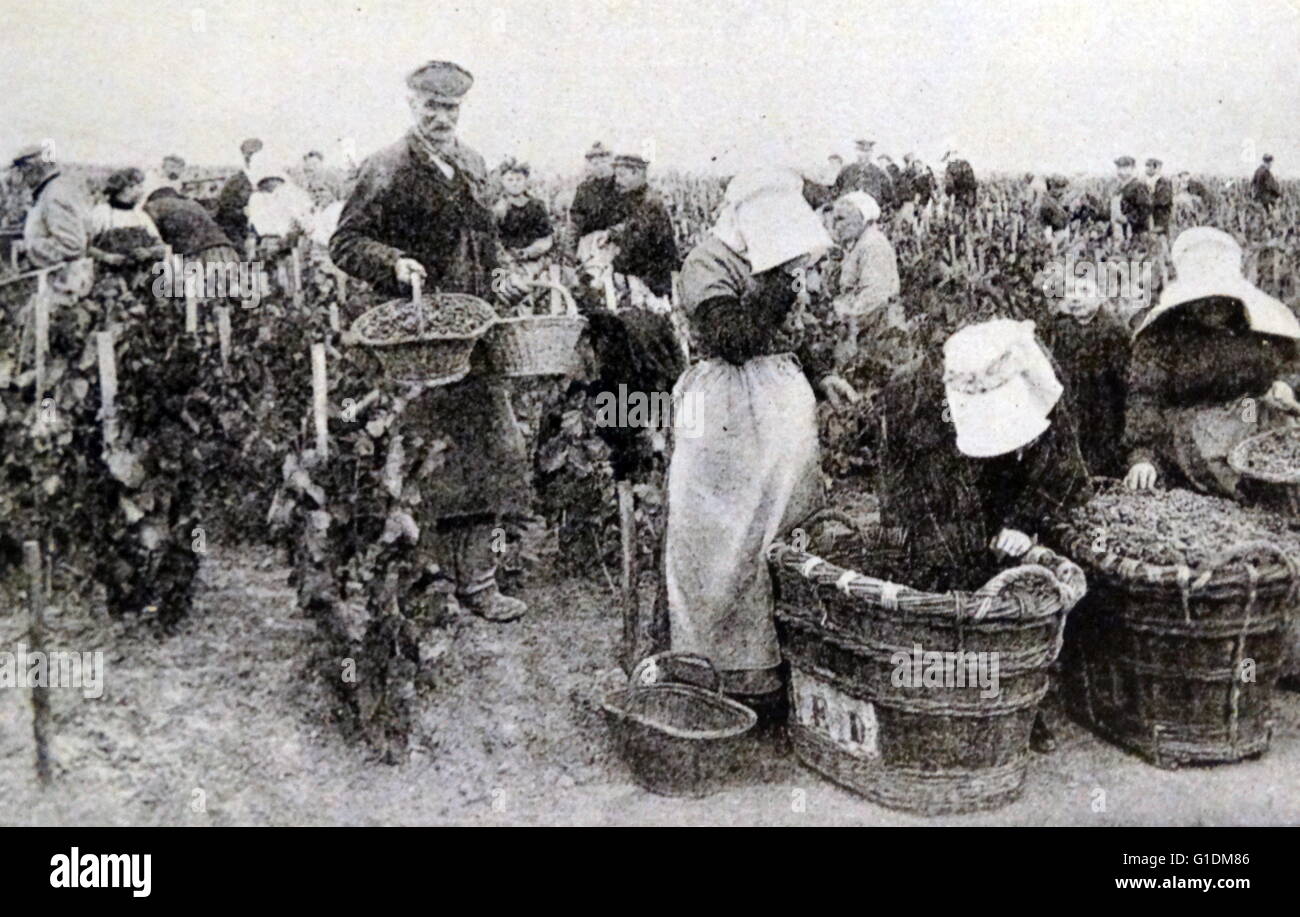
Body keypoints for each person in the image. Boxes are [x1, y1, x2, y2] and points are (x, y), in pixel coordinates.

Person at [329, 59, 532, 623]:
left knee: (494, 450)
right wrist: (394, 263)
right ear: (411, 104)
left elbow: (486, 242)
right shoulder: (387, 166)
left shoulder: (472, 162)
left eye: (451, 108)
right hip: (417, 341)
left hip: (473, 331)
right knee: (422, 460)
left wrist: (503, 277)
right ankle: (425, 580)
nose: (441, 117)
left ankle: (480, 581)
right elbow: (345, 243)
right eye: (431, 106)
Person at [664, 167, 857, 712]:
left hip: (777, 404)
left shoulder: (770, 260)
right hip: (726, 408)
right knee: (724, 532)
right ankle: (722, 664)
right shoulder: (707, 262)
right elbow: (733, 341)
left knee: (786, 522)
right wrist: (775, 288)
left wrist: (821, 375)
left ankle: (782, 660)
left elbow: (785, 334)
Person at [875, 319, 1092, 751]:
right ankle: (953, 701)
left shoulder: (1040, 382)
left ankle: (1018, 703)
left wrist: (1022, 520)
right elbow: (902, 480)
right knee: (949, 588)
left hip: (1010, 489)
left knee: (1017, 596)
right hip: (941, 495)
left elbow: (1065, 470)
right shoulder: (914, 396)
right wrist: (920, 533)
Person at [1123, 227, 1300, 497]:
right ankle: (1247, 491)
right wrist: (1143, 457)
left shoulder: (1255, 324)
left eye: (1221, 299)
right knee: (1226, 458)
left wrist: (1284, 385)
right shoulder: (1163, 336)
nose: (1212, 307)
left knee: (1272, 438)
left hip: (1248, 409)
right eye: (1203, 300)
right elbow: (1145, 397)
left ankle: (1274, 487)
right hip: (1197, 428)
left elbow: (1291, 364)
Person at [1038, 271, 1132, 477]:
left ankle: (1107, 471)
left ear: (1100, 295)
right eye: (1070, 291)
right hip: (1074, 395)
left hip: (1103, 398)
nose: (1075, 297)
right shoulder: (1062, 328)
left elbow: (1123, 377)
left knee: (1104, 436)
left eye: (1084, 290)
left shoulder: (1112, 328)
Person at [9, 143, 94, 299]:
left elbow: (71, 246)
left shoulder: (55, 194)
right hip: (59, 283)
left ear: (32, 168)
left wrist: (28, 247)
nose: (21, 176)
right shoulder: (54, 189)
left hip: (61, 288)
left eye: (22, 169)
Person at [829, 192, 902, 367]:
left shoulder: (872, 244)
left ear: (861, 217)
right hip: (867, 326)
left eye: (841, 219)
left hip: (876, 329)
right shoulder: (861, 243)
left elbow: (874, 295)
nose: (835, 226)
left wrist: (843, 312)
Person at [606, 152, 679, 308]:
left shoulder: (650, 203)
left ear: (637, 173)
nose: (618, 181)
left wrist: (614, 265)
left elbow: (637, 243)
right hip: (643, 280)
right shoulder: (634, 199)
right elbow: (629, 226)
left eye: (622, 175)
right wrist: (611, 233)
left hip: (651, 283)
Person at [492, 158, 553, 281]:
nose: (515, 183)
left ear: (526, 181)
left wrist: (529, 252)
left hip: (534, 260)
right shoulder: (497, 208)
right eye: (510, 180)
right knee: (497, 287)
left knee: (531, 286)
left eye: (519, 179)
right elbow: (493, 239)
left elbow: (546, 238)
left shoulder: (537, 206)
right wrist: (505, 257)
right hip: (504, 261)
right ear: (503, 181)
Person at [88, 168, 164, 267]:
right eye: (139, 186)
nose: (142, 191)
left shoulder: (140, 215)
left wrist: (149, 252)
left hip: (138, 277)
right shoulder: (101, 212)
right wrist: (106, 257)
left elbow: (161, 246)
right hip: (106, 275)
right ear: (126, 188)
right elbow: (84, 246)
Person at [214, 137, 264, 250]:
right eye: (249, 154)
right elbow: (224, 214)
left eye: (256, 153)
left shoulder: (275, 180)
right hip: (242, 239)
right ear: (243, 155)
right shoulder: (234, 183)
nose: (251, 157)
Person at [833, 139, 894, 210]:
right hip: (848, 207)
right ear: (856, 152)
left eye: (867, 152)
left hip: (870, 209)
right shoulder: (846, 170)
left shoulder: (879, 172)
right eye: (861, 151)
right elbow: (836, 190)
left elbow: (889, 195)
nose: (864, 155)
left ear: (871, 153)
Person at [1111, 155, 1150, 237]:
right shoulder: (1119, 187)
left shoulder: (1139, 186)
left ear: (1133, 169)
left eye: (1125, 168)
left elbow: (1145, 210)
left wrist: (1127, 219)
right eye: (1119, 168)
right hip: (1120, 233)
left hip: (1136, 234)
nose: (1121, 171)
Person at [1146, 158, 1173, 234]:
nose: (1146, 169)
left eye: (1148, 166)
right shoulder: (1151, 181)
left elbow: (1163, 201)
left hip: (1162, 220)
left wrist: (1148, 201)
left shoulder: (1164, 182)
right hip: (1153, 218)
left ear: (1157, 168)